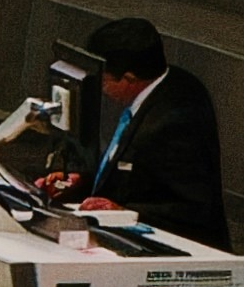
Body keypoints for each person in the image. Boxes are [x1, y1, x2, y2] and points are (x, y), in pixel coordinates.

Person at [47, 17, 227, 246]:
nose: (101, 90)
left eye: (104, 81)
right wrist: (80, 181)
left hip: (171, 252)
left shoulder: (176, 120)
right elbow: (127, 173)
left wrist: (124, 211)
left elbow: (193, 208)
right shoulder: (168, 82)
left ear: (129, 79)